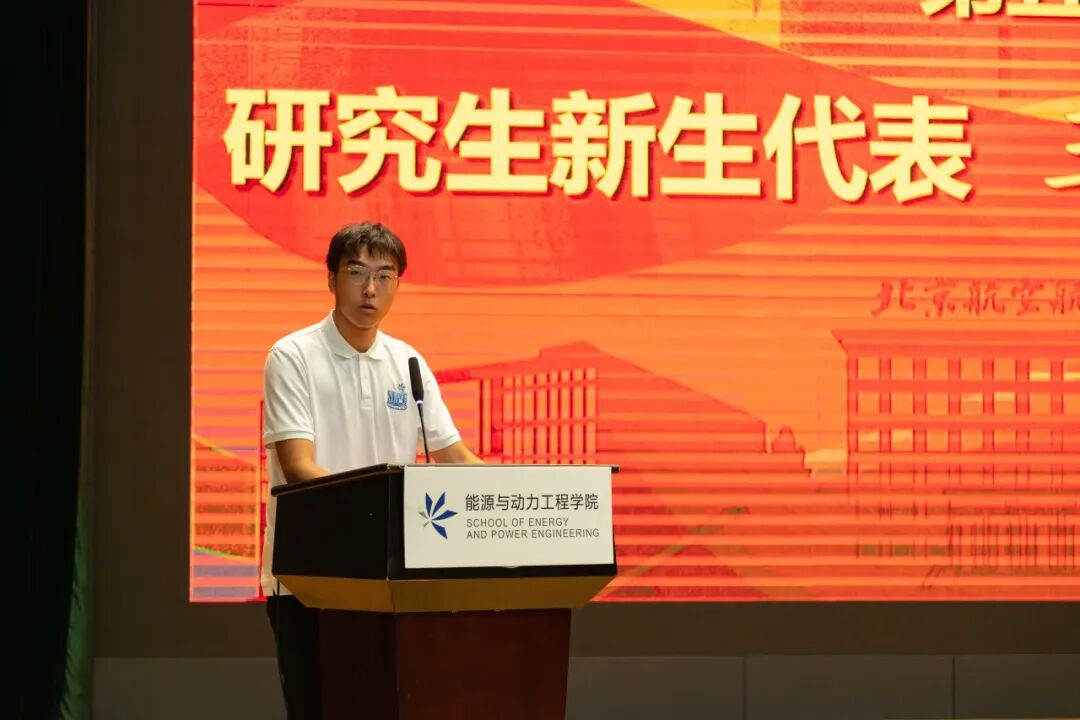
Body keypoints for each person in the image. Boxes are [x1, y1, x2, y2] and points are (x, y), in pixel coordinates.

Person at [260, 221, 482, 719]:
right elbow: (298, 468)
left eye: (384, 276)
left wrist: (515, 496)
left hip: (392, 578)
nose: (370, 289)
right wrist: (385, 512)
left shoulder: (408, 363)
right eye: (356, 272)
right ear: (331, 279)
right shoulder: (293, 356)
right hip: (310, 577)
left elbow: (455, 457)